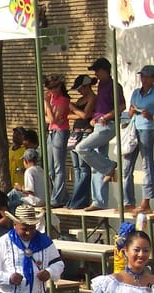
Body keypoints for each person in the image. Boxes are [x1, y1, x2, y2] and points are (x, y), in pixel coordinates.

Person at [76, 57, 126, 211]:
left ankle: (109, 167)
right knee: (96, 163)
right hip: (98, 124)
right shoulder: (101, 86)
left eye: (97, 71)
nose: (95, 74)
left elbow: (121, 105)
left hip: (107, 125)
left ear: (105, 70)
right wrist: (95, 119)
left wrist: (105, 117)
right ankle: (99, 201)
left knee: (82, 148)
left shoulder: (114, 85)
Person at [123, 65, 154, 214]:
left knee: (147, 164)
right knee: (127, 165)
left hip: (148, 129)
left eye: (147, 76)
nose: (143, 79)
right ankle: (128, 201)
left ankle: (146, 201)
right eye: (142, 76)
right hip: (134, 129)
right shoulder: (136, 92)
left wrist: (151, 116)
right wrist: (131, 111)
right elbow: (129, 114)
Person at [68, 75, 97, 210]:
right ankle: (76, 199)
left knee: (84, 168)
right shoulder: (80, 100)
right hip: (75, 133)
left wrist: (73, 109)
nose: (79, 92)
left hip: (86, 132)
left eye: (80, 88)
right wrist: (77, 112)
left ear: (86, 86)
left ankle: (80, 200)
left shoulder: (93, 98)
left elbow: (86, 115)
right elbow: (68, 115)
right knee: (77, 168)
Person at [44, 74, 72, 207]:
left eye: (55, 87)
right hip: (51, 131)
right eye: (50, 88)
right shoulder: (51, 98)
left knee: (58, 166)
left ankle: (56, 198)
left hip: (61, 131)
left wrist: (46, 104)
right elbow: (47, 119)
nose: (53, 90)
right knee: (50, 169)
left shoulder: (63, 99)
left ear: (60, 86)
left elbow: (51, 119)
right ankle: (64, 196)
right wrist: (51, 116)